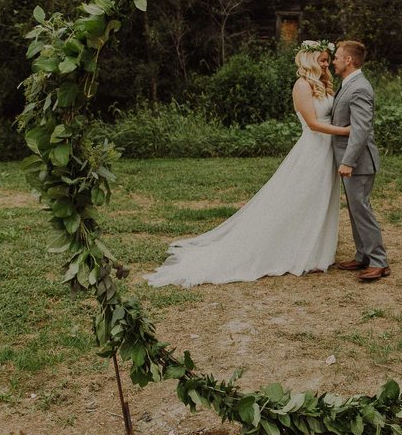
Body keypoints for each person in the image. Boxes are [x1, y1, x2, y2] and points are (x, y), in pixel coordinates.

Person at [144, 41, 348, 287]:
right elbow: (313, 124)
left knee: (322, 198)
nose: (326, 64)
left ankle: (317, 252)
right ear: (309, 60)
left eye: (327, 60)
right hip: (313, 149)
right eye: (321, 60)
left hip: (328, 151)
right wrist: (345, 131)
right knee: (302, 198)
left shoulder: (325, 84)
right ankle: (295, 251)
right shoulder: (302, 86)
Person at [331, 40, 389, 281]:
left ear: (348, 60)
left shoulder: (360, 88)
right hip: (353, 162)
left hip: (360, 163)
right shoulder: (349, 84)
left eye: (336, 57)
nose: (333, 61)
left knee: (362, 209)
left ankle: (379, 261)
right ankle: (362, 255)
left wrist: (349, 161)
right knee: (356, 210)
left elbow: (361, 129)